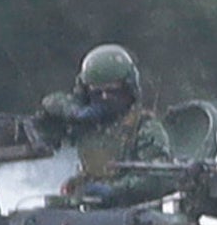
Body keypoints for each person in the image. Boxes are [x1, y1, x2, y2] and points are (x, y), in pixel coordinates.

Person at [25, 42, 190, 196]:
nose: (104, 98)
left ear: (128, 90)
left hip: (134, 214)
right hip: (88, 209)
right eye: (97, 92)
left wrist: (113, 191)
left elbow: (158, 179)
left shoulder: (145, 128)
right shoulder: (87, 124)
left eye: (112, 92)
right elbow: (49, 109)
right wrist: (73, 112)